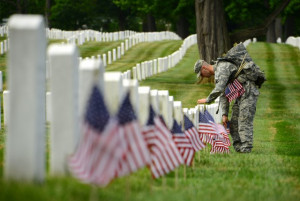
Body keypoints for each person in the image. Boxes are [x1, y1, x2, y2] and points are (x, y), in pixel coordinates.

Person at [194, 47, 261, 153]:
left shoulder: (222, 68)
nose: (203, 77)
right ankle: (239, 148)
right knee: (234, 123)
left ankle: (246, 148)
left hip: (248, 92)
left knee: (244, 120)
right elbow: (224, 94)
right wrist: (224, 114)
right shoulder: (218, 73)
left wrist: (208, 99)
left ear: (204, 68)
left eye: (201, 74)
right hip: (240, 94)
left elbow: (219, 89)